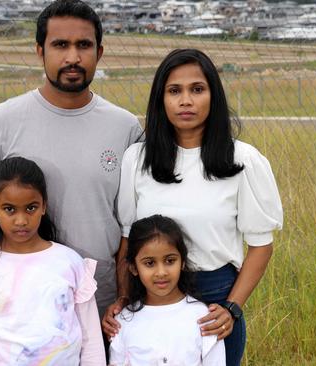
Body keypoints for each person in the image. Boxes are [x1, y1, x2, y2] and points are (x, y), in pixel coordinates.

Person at [0, 0, 142, 316]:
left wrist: (125, 293)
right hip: (22, 305)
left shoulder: (124, 127)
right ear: (40, 51)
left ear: (100, 52)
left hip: (103, 303)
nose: (73, 57)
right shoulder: (2, 120)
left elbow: (132, 223)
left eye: (84, 45)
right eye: (60, 45)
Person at [103, 49, 283, 365]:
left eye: (197, 89)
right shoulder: (137, 159)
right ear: (161, 99)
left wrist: (232, 307)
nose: (186, 101)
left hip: (215, 301)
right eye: (175, 91)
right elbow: (128, 240)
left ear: (213, 96)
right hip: (150, 301)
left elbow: (260, 246)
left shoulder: (243, 161)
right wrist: (123, 297)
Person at [0, 157, 105, 365]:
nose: (21, 220)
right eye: (10, 209)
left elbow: (91, 343)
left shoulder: (70, 263)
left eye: (31, 208)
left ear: (44, 205)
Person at [108, 215, 225, 366]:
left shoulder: (204, 318)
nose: (161, 272)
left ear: (182, 262)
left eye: (170, 261)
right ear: (134, 268)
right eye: (150, 263)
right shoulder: (123, 322)